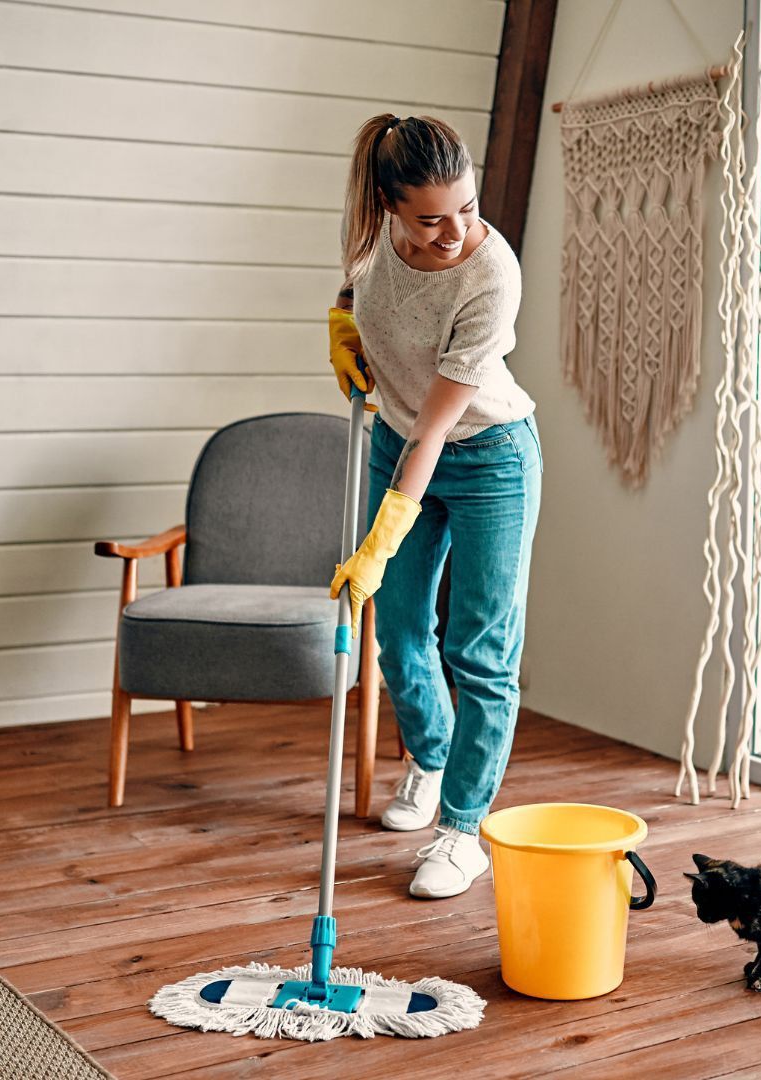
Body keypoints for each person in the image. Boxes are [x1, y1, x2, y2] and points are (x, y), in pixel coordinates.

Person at [327, 114, 543, 899]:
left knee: (480, 650)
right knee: (402, 633)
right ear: (391, 206)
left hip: (487, 456)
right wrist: (341, 326)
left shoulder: (492, 276)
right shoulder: (368, 235)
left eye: (469, 208)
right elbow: (357, 293)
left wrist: (380, 538)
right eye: (431, 218)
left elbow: (437, 428)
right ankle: (431, 756)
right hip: (395, 439)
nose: (455, 231)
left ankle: (462, 829)